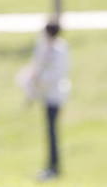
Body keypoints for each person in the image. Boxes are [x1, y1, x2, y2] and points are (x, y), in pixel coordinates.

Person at [23, 20, 70, 180]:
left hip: (55, 95)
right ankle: (51, 164)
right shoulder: (43, 46)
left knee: (52, 132)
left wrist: (40, 81)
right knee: (49, 131)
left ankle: (54, 166)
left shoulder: (60, 49)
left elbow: (57, 74)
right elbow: (37, 65)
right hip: (45, 95)